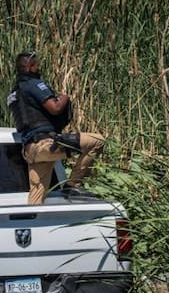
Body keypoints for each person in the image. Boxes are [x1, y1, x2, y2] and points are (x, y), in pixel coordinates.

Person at [7, 51, 105, 204]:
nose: (38, 67)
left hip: (30, 150)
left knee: (36, 197)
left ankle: (34, 222)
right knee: (97, 141)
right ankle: (72, 185)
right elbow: (55, 108)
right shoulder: (33, 85)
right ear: (29, 67)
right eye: (36, 64)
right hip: (45, 144)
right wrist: (65, 97)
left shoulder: (14, 93)